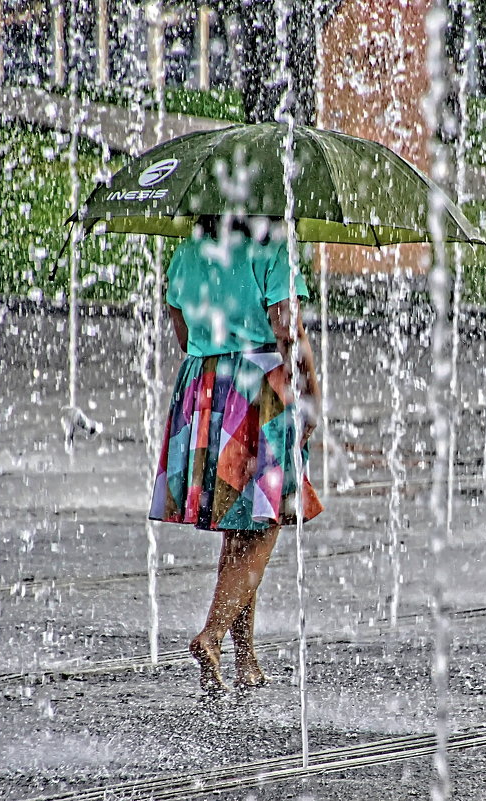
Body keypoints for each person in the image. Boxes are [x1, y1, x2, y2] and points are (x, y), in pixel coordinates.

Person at [149, 215, 323, 693]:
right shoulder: (272, 250)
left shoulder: (186, 252)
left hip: (204, 392)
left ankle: (244, 655)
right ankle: (212, 634)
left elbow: (184, 335)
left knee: (240, 529)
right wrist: (312, 398)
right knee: (265, 526)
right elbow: (287, 331)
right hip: (259, 391)